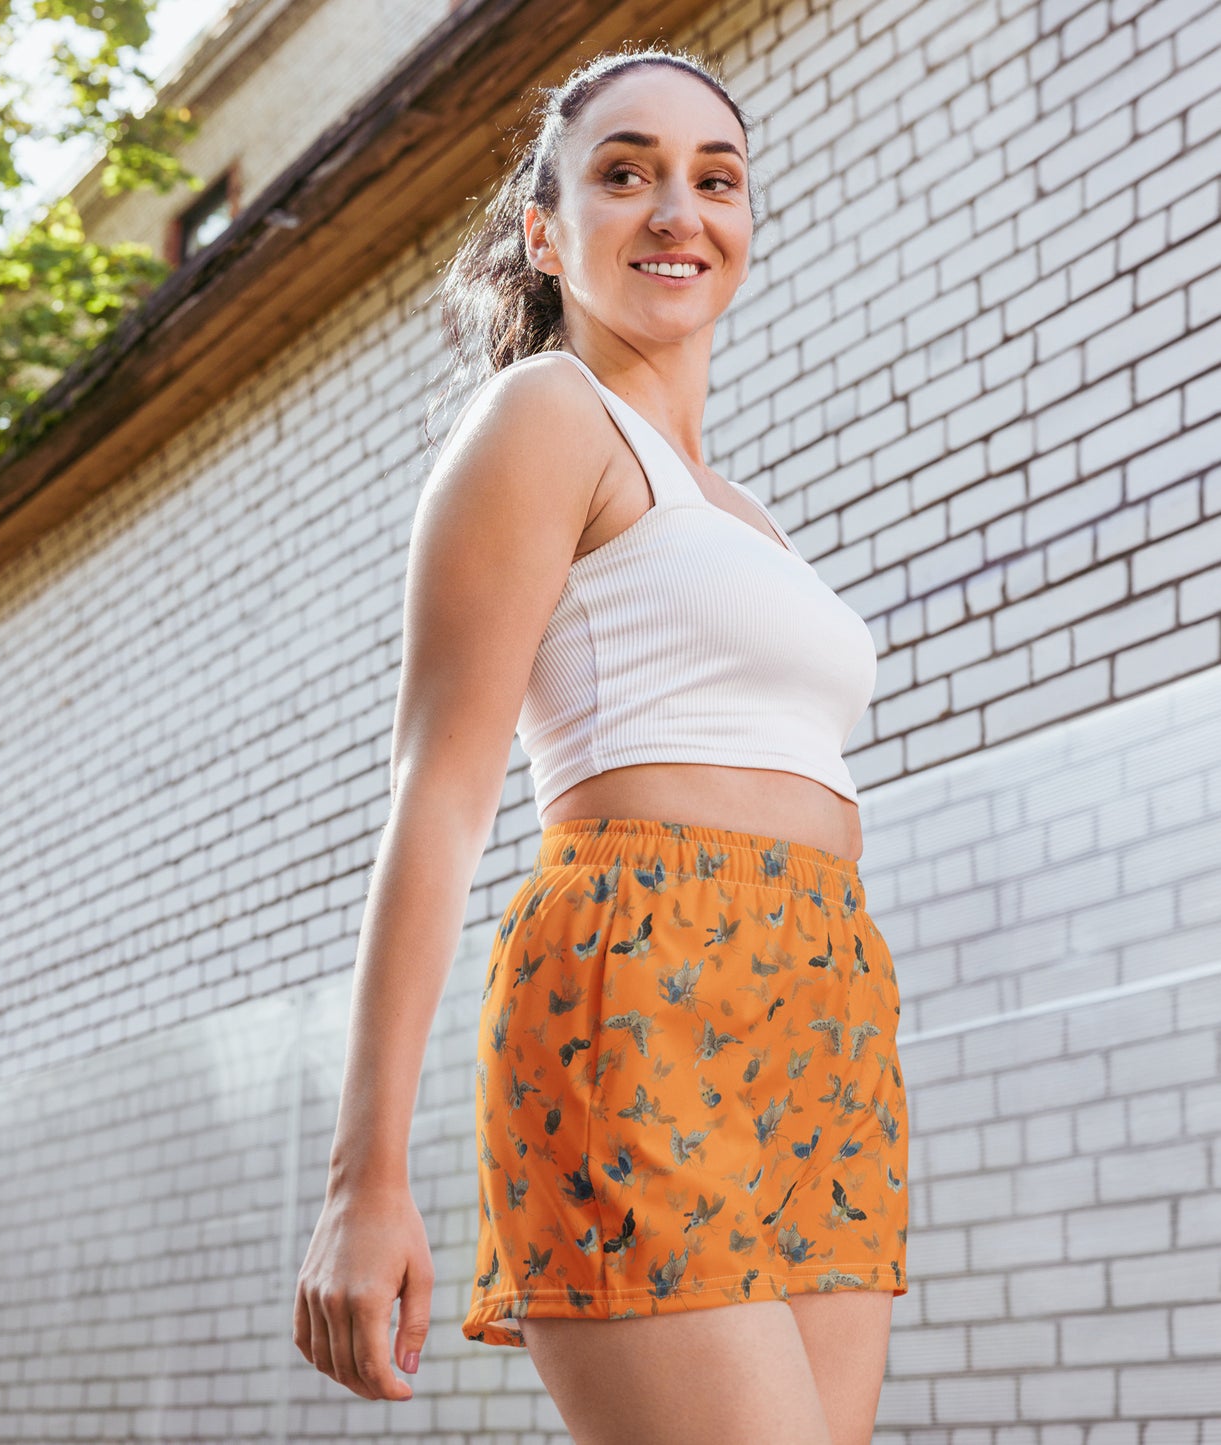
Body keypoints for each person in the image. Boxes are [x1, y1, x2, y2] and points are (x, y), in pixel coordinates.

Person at [293, 44, 909, 1445]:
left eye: (715, 179)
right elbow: (437, 795)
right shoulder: (542, 417)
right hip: (635, 970)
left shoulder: (744, 509)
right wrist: (363, 1177)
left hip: (823, 998)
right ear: (543, 230)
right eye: (624, 173)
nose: (676, 210)